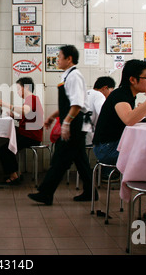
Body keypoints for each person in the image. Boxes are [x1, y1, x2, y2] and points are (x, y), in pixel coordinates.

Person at [92, 59, 146, 219]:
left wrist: (145, 115)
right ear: (133, 79)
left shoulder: (127, 95)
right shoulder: (121, 95)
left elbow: (129, 118)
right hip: (107, 148)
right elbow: (129, 119)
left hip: (114, 145)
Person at [28, 45, 95, 205]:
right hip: (73, 121)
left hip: (74, 123)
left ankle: (46, 193)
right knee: (80, 159)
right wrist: (52, 117)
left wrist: (66, 123)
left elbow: (77, 104)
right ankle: (91, 192)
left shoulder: (74, 76)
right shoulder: (67, 76)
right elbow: (68, 104)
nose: (57, 59)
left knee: (60, 158)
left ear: (69, 59)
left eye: (59, 56)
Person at [0, 77, 43, 185]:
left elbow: (26, 110)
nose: (17, 92)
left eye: (18, 89)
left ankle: (14, 176)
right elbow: (28, 115)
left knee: (4, 149)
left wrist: (6, 105)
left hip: (31, 136)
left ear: (26, 87)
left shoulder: (31, 99)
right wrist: (14, 116)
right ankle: (17, 173)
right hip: (28, 134)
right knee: (9, 146)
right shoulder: (31, 100)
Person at [84, 76, 116, 146]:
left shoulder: (86, 93)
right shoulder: (99, 95)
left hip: (76, 132)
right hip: (87, 134)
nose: (110, 95)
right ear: (105, 88)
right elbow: (103, 114)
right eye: (111, 92)